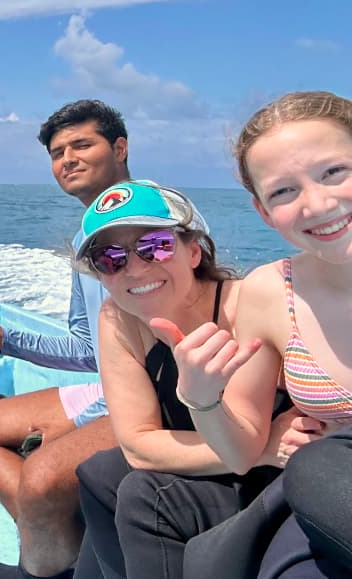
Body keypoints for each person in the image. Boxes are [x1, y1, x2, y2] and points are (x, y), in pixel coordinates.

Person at [72, 181, 305, 579]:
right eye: (109, 258)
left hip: (272, 480)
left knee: (145, 496)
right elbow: (138, 445)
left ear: (193, 250)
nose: (135, 267)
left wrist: (258, 451)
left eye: (155, 246)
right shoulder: (119, 319)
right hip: (251, 454)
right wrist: (263, 445)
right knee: (98, 475)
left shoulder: (244, 307)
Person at [0, 100, 128, 579]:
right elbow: (88, 350)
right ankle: (48, 544)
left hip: (152, 398)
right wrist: (4, 338)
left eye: (82, 144)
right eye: (57, 151)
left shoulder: (155, 223)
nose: (67, 158)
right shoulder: (89, 236)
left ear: (120, 148)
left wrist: (87, 424)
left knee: (42, 478)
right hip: (108, 389)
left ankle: (42, 566)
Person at [172, 91, 352, 577]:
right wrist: (200, 396)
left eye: (334, 171)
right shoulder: (269, 292)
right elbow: (241, 451)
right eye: (284, 192)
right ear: (263, 212)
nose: (317, 203)